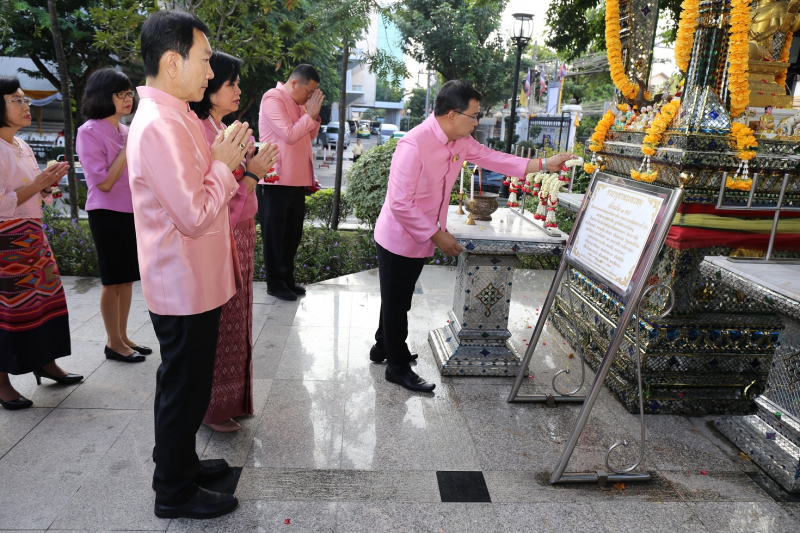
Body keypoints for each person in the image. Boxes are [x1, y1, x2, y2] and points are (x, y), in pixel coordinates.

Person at [371, 80, 575, 392]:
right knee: (398, 302)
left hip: (423, 232)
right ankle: (396, 368)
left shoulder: (460, 141)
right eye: (473, 115)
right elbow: (399, 203)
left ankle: (381, 347)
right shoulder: (413, 144)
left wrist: (544, 164)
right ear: (452, 115)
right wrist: (437, 235)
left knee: (398, 295)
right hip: (398, 235)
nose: (477, 122)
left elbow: (496, 159)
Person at [128, 11, 252, 519]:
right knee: (183, 386)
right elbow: (196, 213)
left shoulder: (177, 114)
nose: (209, 73)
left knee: (186, 381)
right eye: (204, 61)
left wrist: (223, 160)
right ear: (172, 60)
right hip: (181, 281)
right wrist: (224, 164)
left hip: (195, 277)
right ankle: (173, 490)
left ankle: (177, 461)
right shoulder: (160, 124)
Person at [189, 51, 279, 433]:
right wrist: (252, 174)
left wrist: (252, 164)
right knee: (223, 324)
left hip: (240, 233)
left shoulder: (221, 128)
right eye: (232, 83)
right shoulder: (203, 133)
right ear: (210, 91)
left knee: (238, 319)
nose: (239, 89)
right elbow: (216, 202)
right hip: (221, 235)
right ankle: (213, 408)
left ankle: (232, 401)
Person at [0, 76, 82, 410]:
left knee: (44, 304)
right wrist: (39, 184)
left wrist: (46, 185)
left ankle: (45, 362)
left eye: (25, 100)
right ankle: (2, 383)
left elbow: (31, 194)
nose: (25, 106)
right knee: (9, 313)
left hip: (32, 236)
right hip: (7, 243)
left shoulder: (23, 145)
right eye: (16, 100)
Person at [76, 68, 151, 364]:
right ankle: (113, 342)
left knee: (126, 279)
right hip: (106, 213)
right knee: (112, 280)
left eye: (129, 92)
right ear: (102, 96)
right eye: (120, 93)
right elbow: (103, 183)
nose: (128, 98)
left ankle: (122, 336)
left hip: (131, 212)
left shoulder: (125, 130)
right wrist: (127, 149)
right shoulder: (89, 132)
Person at [257, 64, 323, 301]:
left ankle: (287, 279)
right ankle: (275, 283)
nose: (309, 97)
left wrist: (311, 114)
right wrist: (308, 114)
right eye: (308, 91)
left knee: (292, 233)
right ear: (294, 83)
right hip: (275, 179)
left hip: (296, 179)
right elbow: (289, 133)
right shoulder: (272, 97)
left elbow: (311, 133)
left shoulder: (299, 105)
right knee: (275, 234)